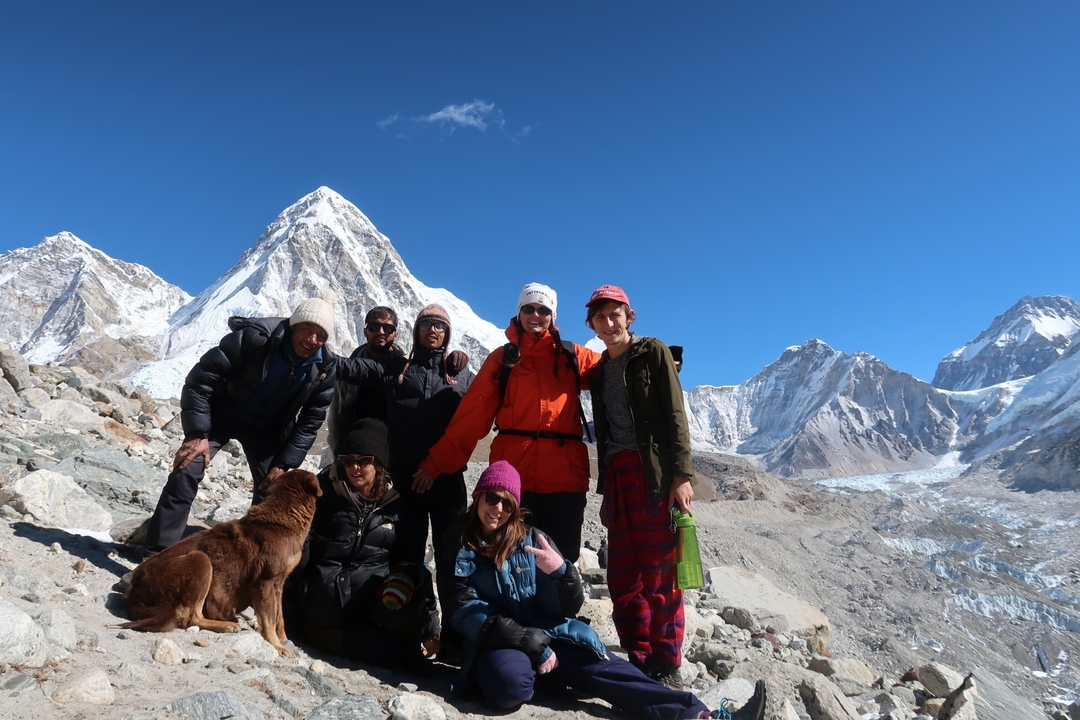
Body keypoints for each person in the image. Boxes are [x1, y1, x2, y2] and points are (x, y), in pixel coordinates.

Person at [443, 461, 740, 720]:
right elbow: (463, 609)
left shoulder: (533, 540)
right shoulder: (458, 542)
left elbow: (568, 607)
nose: (498, 509)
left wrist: (562, 574)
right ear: (478, 495)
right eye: (492, 498)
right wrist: (528, 641)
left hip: (550, 633)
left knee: (610, 671)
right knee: (508, 685)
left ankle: (696, 714)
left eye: (507, 503)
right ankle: (546, 674)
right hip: (497, 643)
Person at [414, 283, 600, 562]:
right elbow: (472, 417)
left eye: (543, 310)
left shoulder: (572, 356)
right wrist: (435, 463)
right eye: (529, 308)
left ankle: (559, 607)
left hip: (565, 478)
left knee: (561, 560)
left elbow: (615, 367)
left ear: (553, 316)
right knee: (510, 558)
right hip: (514, 478)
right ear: (519, 312)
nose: (535, 314)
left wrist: (654, 358)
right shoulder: (502, 360)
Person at [143, 293, 338, 554]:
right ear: (294, 325)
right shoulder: (256, 339)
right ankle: (157, 554)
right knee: (188, 467)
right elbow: (201, 381)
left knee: (274, 490)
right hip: (222, 415)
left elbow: (311, 420)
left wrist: (283, 464)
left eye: (321, 336)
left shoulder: (324, 368)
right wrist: (197, 434)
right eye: (307, 329)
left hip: (266, 429)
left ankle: (253, 563)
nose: (312, 340)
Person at [334, 303, 474, 657]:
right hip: (405, 482)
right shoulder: (397, 367)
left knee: (453, 561)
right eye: (426, 324)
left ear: (448, 333)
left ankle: (456, 642)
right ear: (415, 331)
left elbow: (477, 420)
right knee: (405, 560)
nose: (433, 330)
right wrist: (314, 347)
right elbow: (355, 368)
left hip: (446, 481)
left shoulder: (462, 376)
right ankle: (411, 634)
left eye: (440, 326)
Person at [584, 284, 694, 689]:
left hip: (653, 475)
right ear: (592, 324)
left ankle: (667, 662)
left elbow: (674, 414)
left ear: (629, 317)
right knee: (623, 573)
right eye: (600, 317)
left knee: (660, 571)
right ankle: (638, 654)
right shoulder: (597, 372)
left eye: (615, 314)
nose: (608, 323)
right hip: (616, 476)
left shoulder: (653, 353)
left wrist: (681, 476)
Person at [298, 418, 437, 667]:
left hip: (371, 599)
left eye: (364, 461)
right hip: (325, 600)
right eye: (348, 460)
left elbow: (407, 557)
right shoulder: (323, 493)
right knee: (401, 656)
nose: (355, 468)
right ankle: (327, 636)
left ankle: (431, 639)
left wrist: (403, 578)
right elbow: (300, 552)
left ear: (379, 464)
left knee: (417, 585)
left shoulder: (395, 504)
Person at [325, 306, 404, 453]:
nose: (381, 332)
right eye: (374, 327)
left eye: (387, 328)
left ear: (395, 334)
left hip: (392, 453)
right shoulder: (348, 369)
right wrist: (338, 450)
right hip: (353, 452)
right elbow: (336, 414)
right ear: (365, 331)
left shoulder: (405, 371)